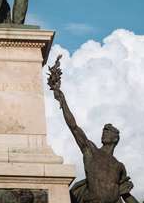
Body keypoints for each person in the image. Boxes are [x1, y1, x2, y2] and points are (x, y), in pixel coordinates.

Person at [47, 57, 139, 203]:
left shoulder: (119, 166)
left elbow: (125, 195)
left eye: (108, 131)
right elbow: (74, 127)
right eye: (104, 130)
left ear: (115, 138)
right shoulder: (91, 151)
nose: (104, 132)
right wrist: (62, 101)